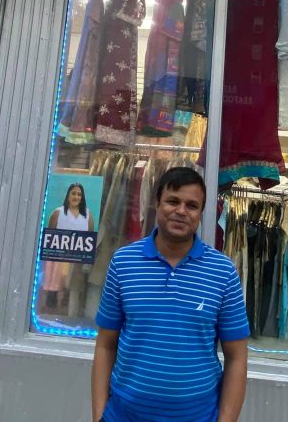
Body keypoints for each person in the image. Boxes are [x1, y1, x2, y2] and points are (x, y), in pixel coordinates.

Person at [91, 167, 249, 422]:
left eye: (192, 205)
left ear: (200, 213)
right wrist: (98, 415)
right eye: (173, 201)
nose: (181, 211)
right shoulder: (123, 262)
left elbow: (237, 357)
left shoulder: (223, 272)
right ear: (157, 203)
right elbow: (105, 345)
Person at [41, 183, 95, 313]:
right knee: (54, 294)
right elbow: (49, 239)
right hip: (58, 262)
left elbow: (90, 239)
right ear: (68, 195)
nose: (76, 197)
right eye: (73, 193)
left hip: (77, 263)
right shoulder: (58, 213)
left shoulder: (88, 215)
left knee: (73, 291)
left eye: (79, 194)